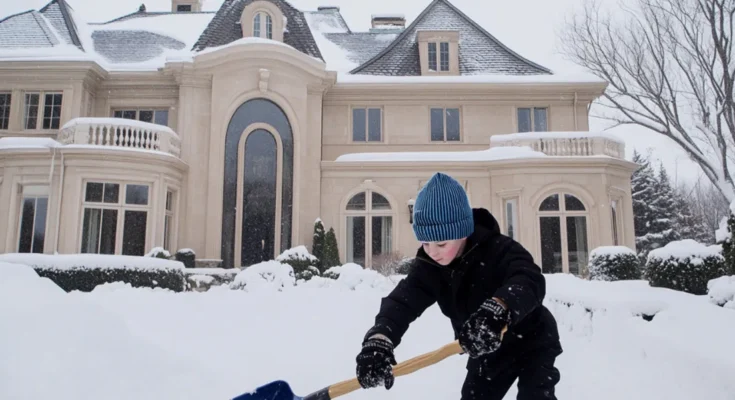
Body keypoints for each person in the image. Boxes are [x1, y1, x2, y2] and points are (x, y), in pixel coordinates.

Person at [355, 172, 562, 400]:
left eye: (441, 243)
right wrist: (380, 339)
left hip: (531, 339)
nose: (432, 251)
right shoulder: (429, 266)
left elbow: (527, 279)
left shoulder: (500, 249)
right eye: (425, 242)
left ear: (463, 232)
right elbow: (402, 302)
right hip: (484, 348)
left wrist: (499, 307)